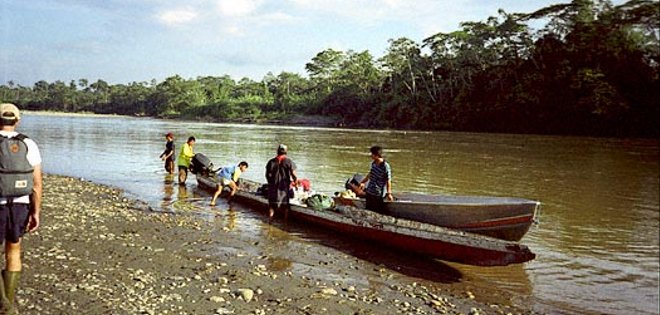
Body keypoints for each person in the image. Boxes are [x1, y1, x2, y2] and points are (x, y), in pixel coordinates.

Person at [0, 103, 42, 314]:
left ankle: (4, 304)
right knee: (14, 249)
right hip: (21, 203)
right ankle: (8, 302)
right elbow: (36, 183)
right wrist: (35, 212)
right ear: (17, 120)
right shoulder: (28, 143)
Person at [265, 144, 298, 219]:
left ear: (277, 151)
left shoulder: (271, 162)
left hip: (273, 187)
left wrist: (270, 183)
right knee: (285, 206)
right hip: (284, 187)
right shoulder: (289, 161)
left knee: (272, 206)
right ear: (286, 152)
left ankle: (270, 222)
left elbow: (267, 175)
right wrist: (295, 183)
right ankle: (285, 224)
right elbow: (293, 175)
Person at [358, 146, 393, 214]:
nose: (371, 156)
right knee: (368, 210)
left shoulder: (385, 166)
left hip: (377, 193)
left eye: (372, 154)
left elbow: (388, 180)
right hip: (369, 191)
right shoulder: (374, 163)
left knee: (377, 211)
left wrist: (389, 193)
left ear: (377, 155)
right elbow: (371, 174)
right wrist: (363, 182)